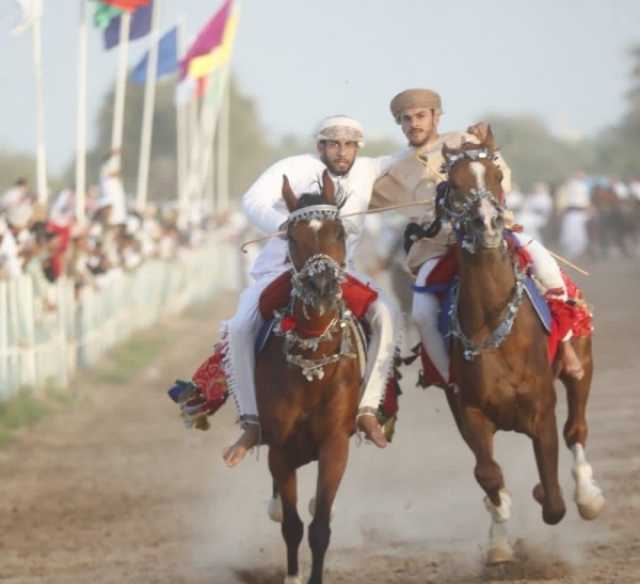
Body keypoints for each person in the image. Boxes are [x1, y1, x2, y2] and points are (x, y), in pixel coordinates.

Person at [371, 89, 584, 384]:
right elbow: (362, 200)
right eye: (406, 119)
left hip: (491, 233)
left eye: (420, 116)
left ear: (436, 116)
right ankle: (450, 379)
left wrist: (490, 148)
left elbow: (501, 178)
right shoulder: (393, 169)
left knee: (545, 266)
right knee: (420, 314)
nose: (414, 124)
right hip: (438, 249)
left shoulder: (465, 141)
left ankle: (566, 346)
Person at [221, 115, 399, 466]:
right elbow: (253, 199)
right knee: (239, 327)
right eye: (333, 143)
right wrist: (287, 225)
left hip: (341, 273)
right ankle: (253, 423)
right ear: (320, 146)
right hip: (283, 269)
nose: (341, 151)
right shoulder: (295, 167)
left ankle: (366, 409)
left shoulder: (369, 169)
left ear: (358, 148)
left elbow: (414, 154)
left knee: (387, 314)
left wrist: (454, 141)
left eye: (349, 144)